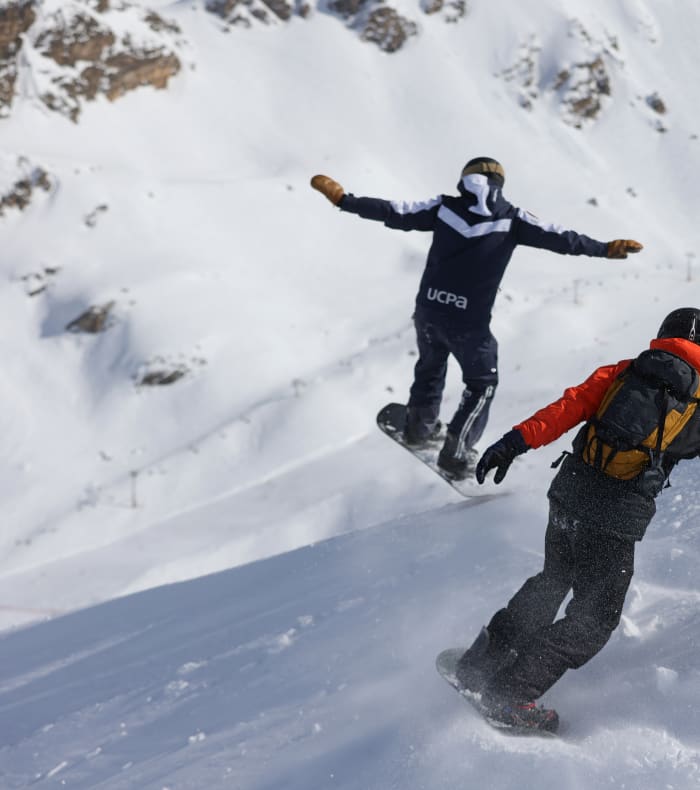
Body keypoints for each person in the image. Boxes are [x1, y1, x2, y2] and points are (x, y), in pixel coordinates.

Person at [310, 159, 643, 479]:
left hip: (428, 312)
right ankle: (455, 453)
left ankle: (418, 428)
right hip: (468, 324)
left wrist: (344, 200)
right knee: (481, 383)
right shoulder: (512, 218)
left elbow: (394, 211)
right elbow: (561, 237)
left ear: (465, 179)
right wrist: (605, 248)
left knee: (430, 367)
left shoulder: (444, 208)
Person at [456, 307, 700, 733]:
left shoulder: (625, 371)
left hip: (569, 495)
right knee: (594, 620)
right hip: (615, 518)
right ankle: (510, 694)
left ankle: (481, 662)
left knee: (553, 579)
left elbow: (565, 408)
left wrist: (511, 444)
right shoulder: (696, 401)